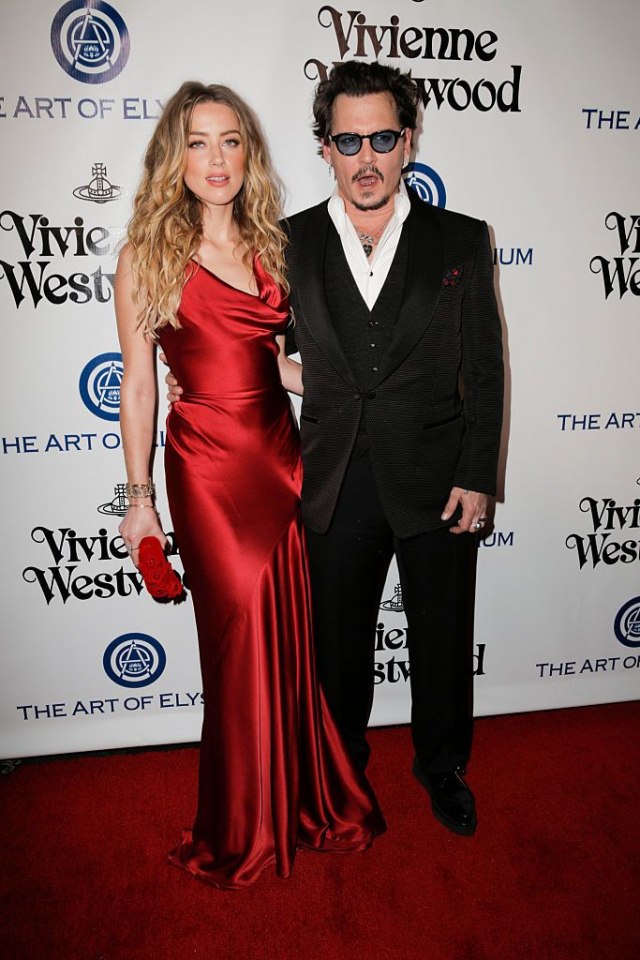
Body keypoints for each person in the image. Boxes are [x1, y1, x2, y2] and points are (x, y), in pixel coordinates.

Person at [168, 62, 504, 838]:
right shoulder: (284, 243)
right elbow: (250, 346)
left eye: (382, 138)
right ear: (325, 148)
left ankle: (442, 764)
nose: (366, 158)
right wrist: (197, 379)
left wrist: (477, 474)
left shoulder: (462, 238)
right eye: (348, 141)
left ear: (408, 141)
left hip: (437, 478)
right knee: (337, 648)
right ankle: (339, 767)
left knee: (443, 637)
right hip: (331, 478)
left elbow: (485, 369)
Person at [115, 80, 385, 890]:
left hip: (281, 458)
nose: (216, 159)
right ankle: (242, 824)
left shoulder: (275, 247)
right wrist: (139, 502)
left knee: (292, 632)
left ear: (249, 153)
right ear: (175, 157)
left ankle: (303, 799)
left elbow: (278, 367)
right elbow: (139, 383)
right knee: (238, 643)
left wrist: (361, 391)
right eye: (198, 142)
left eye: (230, 141)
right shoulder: (146, 256)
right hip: (206, 466)